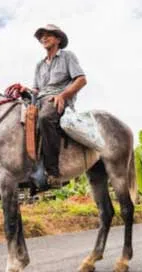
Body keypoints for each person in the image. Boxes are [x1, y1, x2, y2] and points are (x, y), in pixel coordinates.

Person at [27, 24, 86, 192]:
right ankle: (30, 168)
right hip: (40, 98)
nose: (43, 38)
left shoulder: (67, 57)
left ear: (58, 39)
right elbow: (36, 89)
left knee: (45, 118)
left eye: (48, 35)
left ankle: (52, 173)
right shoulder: (39, 65)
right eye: (41, 36)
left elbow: (81, 80)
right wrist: (25, 90)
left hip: (59, 99)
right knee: (17, 116)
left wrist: (63, 96)